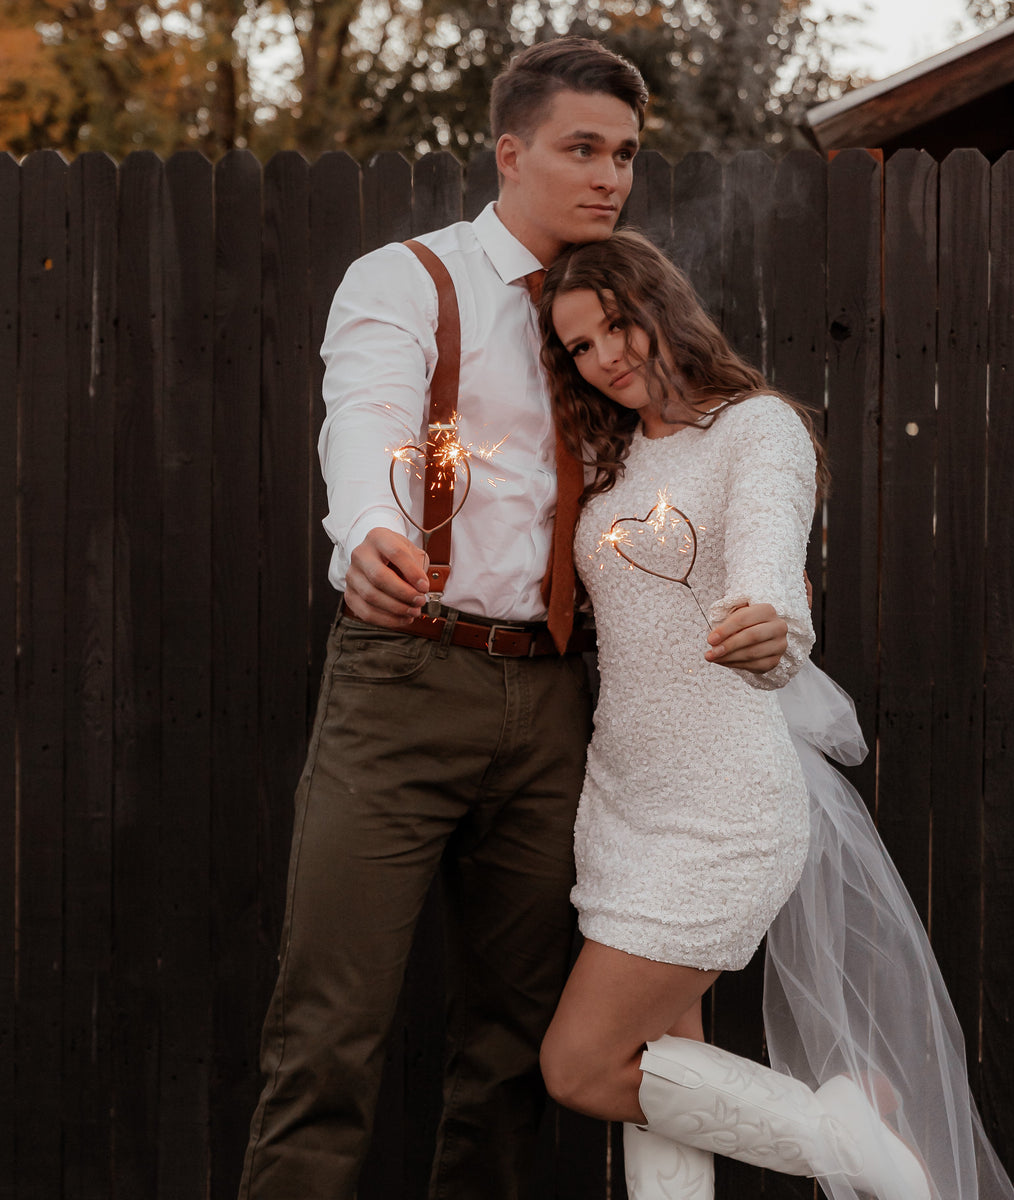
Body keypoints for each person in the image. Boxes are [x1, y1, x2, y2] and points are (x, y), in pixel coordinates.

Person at [237, 38, 703, 1200]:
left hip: (554, 701)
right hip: (403, 678)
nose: (608, 176)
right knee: (329, 1028)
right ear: (511, 151)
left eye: (627, 155)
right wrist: (368, 535)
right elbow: (371, 418)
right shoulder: (406, 279)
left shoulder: (620, 318)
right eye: (580, 149)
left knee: (510, 1046)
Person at [534, 230, 1014, 1200]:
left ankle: (845, 1134)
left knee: (580, 1067)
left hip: (721, 809)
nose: (607, 358)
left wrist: (774, 631)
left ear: (660, 304)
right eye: (582, 347)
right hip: (623, 804)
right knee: (655, 1074)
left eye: (618, 325)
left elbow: (769, 571)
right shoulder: (615, 457)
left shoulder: (756, 431)